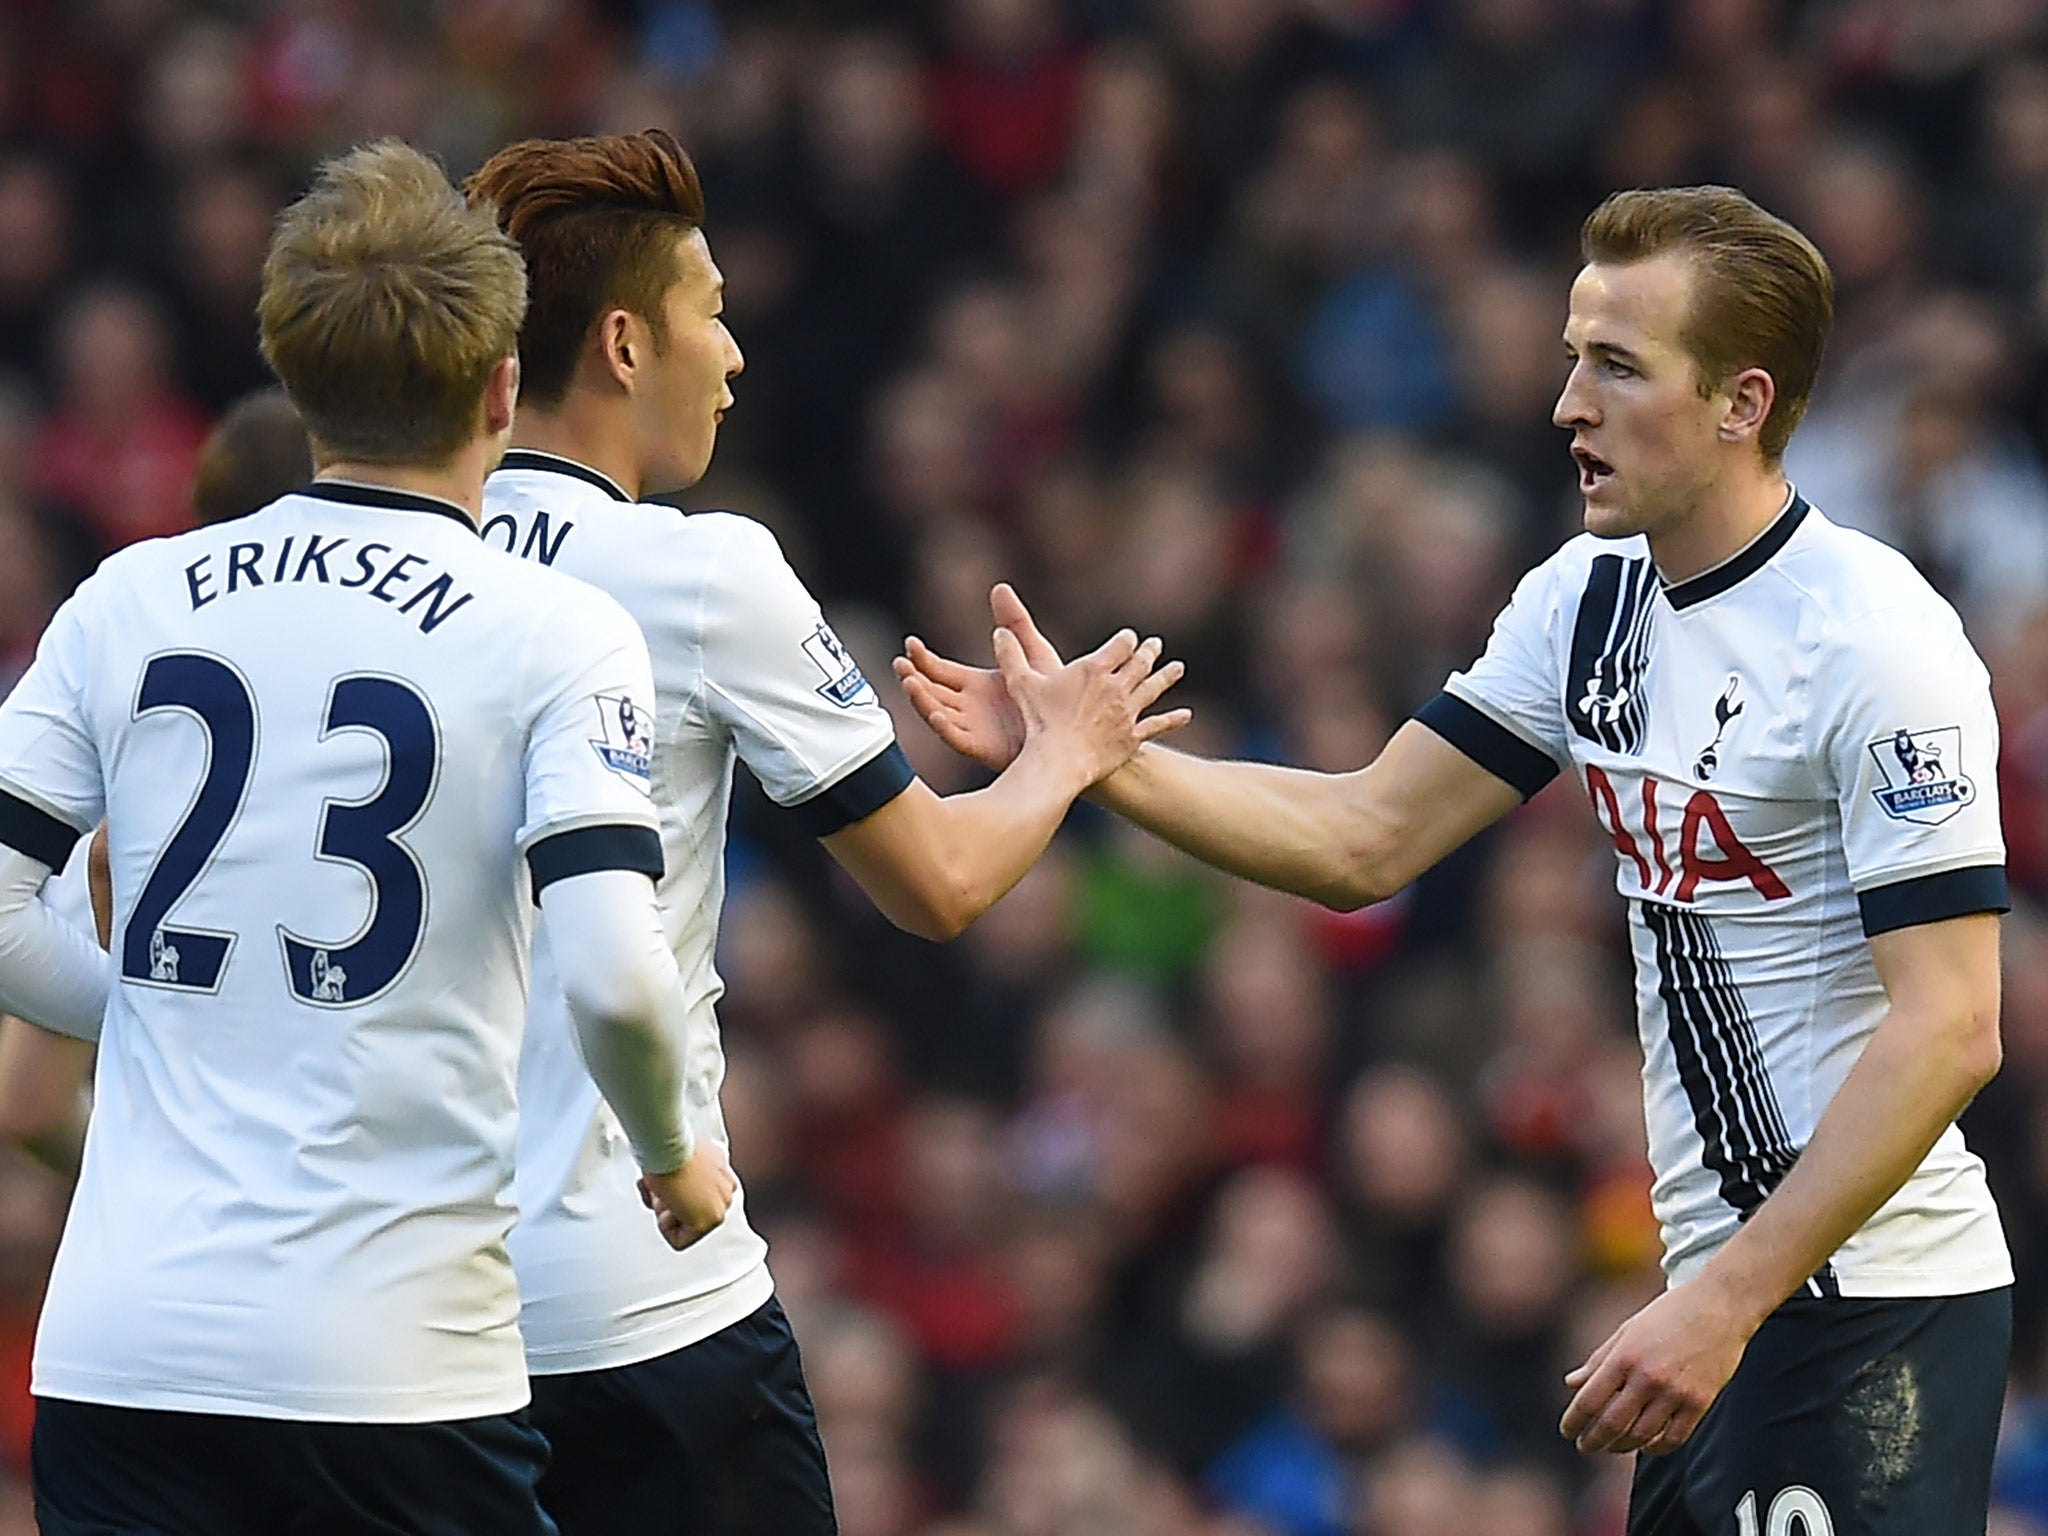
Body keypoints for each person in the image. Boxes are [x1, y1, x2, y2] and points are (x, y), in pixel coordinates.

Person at [901, 185, 2013, 1536]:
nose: (1567, 405)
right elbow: (1365, 836)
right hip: (1723, 1297)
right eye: (1569, 356)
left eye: (1616, 365)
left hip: (1866, 1304)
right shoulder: (1586, 600)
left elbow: (1951, 1029)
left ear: (1740, 402)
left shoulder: (1877, 642)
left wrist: (1725, 1300)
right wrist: (1090, 759)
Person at [0, 139, 739, 1535]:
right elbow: (612, 970)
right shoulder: (557, 630)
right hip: (393, 1370)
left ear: (298, 375)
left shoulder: (128, 596)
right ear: (504, 389)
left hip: (120, 1358)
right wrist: (671, 1148)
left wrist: (157, 1011)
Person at [462, 128, 1187, 1535]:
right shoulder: (698, 572)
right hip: (638, 1297)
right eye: (712, 313)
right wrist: (1067, 752)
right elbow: (940, 882)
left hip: (408, 1332)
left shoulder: (397, 581)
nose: (733, 357)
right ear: (624, 344)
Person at [0, 388, 317, 1176]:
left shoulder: (136, 761)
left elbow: (26, 1100)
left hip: (180, 1232)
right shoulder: (433, 722)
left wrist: (136, 1176)